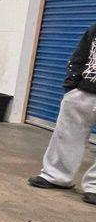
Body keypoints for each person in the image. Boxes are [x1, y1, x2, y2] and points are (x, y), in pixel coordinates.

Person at [28, 22, 96, 205]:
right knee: (66, 134)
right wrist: (71, 86)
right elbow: (80, 55)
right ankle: (56, 176)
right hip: (84, 89)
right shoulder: (94, 28)